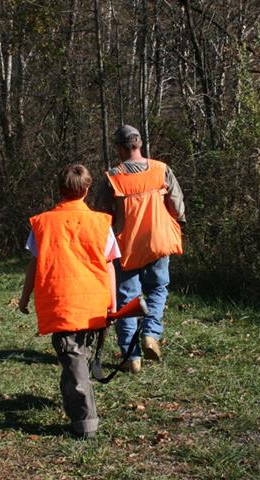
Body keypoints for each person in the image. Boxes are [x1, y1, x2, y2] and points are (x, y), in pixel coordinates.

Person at [19, 164, 120, 439]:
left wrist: (25, 297)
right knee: (76, 356)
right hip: (94, 303)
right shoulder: (101, 222)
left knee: (73, 358)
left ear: (59, 189)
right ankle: (76, 402)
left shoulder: (43, 223)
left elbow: (34, 264)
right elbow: (110, 265)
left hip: (61, 302)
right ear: (87, 190)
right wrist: (112, 304)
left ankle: (85, 423)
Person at [95, 125, 185, 374]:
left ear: (120, 148)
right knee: (157, 288)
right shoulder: (161, 169)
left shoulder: (113, 176)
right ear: (140, 144)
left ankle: (131, 357)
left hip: (127, 246)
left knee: (128, 300)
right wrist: (174, 223)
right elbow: (177, 205)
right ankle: (151, 334)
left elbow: (102, 215)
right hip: (159, 241)